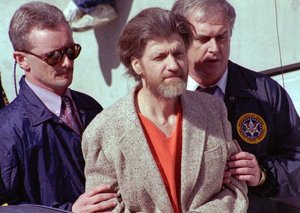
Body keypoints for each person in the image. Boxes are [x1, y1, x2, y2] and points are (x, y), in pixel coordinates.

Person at [82, 7, 248, 213]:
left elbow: (235, 188)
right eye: (160, 57)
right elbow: (103, 208)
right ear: (137, 65)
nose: (173, 65)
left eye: (178, 53)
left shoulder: (213, 110)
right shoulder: (103, 131)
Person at [171, 0, 300, 212]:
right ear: (181, 40)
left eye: (221, 37)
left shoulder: (265, 93)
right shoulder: (166, 99)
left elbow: (296, 157)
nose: (214, 48)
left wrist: (263, 173)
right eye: (203, 39)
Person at [0, 2, 117, 212]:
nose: (67, 63)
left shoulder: (90, 107)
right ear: (21, 60)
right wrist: (69, 211)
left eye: (71, 51)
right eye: (53, 56)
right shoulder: (6, 131)